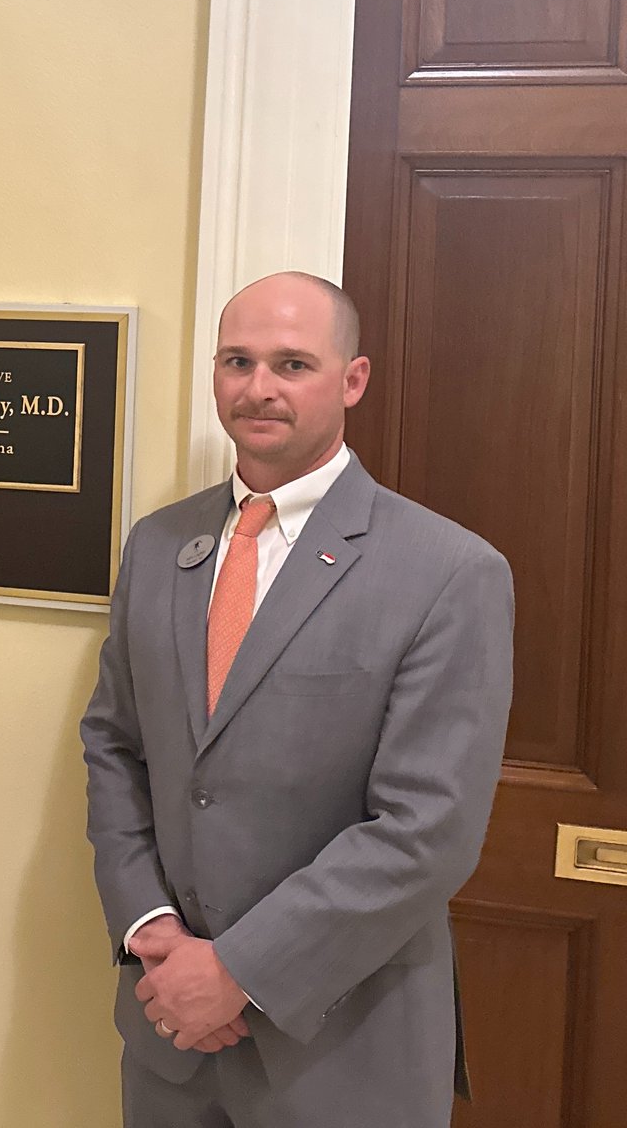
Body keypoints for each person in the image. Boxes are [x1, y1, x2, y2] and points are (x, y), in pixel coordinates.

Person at [81, 271, 514, 1127]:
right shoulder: (159, 543)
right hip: (170, 1040)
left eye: (292, 363)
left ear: (352, 379)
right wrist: (150, 925)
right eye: (237, 361)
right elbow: (114, 745)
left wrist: (237, 968)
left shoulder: (449, 571)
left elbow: (428, 828)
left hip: (344, 1051)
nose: (259, 388)